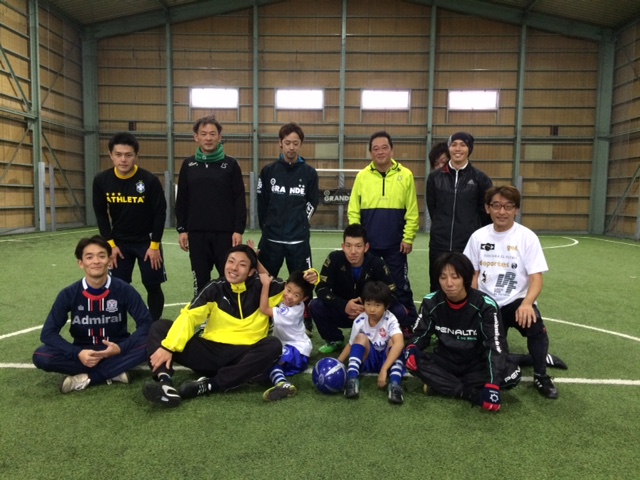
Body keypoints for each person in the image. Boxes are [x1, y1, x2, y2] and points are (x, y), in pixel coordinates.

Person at [142, 245, 317, 408]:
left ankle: (210, 385)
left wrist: (311, 274)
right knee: (160, 327)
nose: (234, 268)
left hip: (243, 357)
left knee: (273, 345)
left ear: (251, 272)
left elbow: (294, 287)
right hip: (209, 353)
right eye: (231, 261)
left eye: (242, 265)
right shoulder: (214, 288)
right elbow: (189, 317)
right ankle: (165, 384)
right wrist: (169, 346)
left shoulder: (267, 287)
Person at [464, 185, 560, 399]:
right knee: (482, 355)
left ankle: (541, 375)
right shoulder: (478, 237)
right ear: (488, 208)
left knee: (535, 326)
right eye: (496, 205)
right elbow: (473, 274)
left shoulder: (527, 237)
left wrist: (527, 303)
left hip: (516, 302)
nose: (502, 211)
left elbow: (536, 278)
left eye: (508, 206)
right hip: (487, 303)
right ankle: (523, 358)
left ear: (516, 209)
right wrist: (474, 303)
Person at [32, 236, 152, 393]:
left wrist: (120, 348)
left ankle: (87, 378)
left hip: (116, 350)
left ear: (109, 261)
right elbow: (48, 333)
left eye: (101, 256)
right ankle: (114, 371)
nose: (96, 261)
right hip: (83, 353)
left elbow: (146, 323)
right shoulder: (68, 294)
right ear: (81, 263)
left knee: (155, 342)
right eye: (89, 257)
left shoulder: (124, 289)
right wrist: (77, 353)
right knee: (41, 355)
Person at [404, 252, 521, 411]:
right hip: (446, 361)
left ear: (465, 278)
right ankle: (468, 392)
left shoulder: (485, 305)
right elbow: (420, 335)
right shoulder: (431, 302)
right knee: (411, 359)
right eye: (443, 277)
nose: (449, 283)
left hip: (476, 363)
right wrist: (412, 348)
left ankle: (442, 385)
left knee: (513, 374)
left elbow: (495, 345)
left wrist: (493, 385)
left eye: (455, 277)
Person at [93, 132, 167, 321]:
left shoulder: (149, 181)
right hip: (119, 243)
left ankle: (153, 326)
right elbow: (101, 214)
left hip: (147, 243)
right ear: (110, 155)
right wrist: (110, 245)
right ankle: (119, 326)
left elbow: (160, 213)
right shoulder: (101, 180)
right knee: (118, 286)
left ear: (136, 155)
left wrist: (155, 245)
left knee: (152, 285)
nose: (123, 159)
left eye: (128, 155)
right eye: (118, 154)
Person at [347, 131, 419, 325]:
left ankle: (409, 323)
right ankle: (366, 324)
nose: (380, 152)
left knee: (400, 286)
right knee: (366, 286)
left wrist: (408, 237)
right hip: (369, 246)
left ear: (392, 150)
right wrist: (358, 241)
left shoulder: (406, 175)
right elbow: (353, 210)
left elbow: (412, 210)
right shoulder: (362, 176)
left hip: (396, 245)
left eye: (384, 148)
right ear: (370, 152)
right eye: (376, 149)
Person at [257, 122, 319, 333]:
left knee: (304, 281)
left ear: (300, 144)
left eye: (295, 143)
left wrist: (301, 221)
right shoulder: (268, 171)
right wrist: (268, 226)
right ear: (280, 143)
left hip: (298, 240)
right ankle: (263, 319)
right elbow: (262, 203)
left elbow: (312, 202)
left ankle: (305, 318)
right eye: (287, 143)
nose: (291, 147)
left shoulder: (309, 173)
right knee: (265, 280)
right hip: (271, 240)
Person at [309, 223, 408, 353]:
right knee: (315, 305)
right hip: (343, 311)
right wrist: (344, 305)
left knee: (399, 310)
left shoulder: (377, 263)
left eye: (358, 246)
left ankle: (378, 339)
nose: (353, 251)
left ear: (366, 247)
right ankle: (334, 339)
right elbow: (321, 288)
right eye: (348, 246)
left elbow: (392, 293)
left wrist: (368, 309)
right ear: (343, 246)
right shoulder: (334, 259)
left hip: (371, 314)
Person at [176, 114, 246, 295]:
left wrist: (238, 229)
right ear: (196, 137)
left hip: (225, 234)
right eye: (204, 134)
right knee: (201, 281)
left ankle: (228, 311)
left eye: (212, 134)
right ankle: (203, 311)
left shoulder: (231, 164)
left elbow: (239, 198)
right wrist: (182, 229)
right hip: (197, 234)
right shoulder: (188, 165)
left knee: (229, 279)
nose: (208, 138)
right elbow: (182, 199)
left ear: (219, 137)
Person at [426, 132, 493, 293]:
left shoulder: (480, 179)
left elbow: (485, 213)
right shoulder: (434, 178)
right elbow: (433, 208)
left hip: (468, 245)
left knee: (466, 287)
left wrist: (470, 229)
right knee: (438, 286)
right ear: (449, 148)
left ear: (469, 149)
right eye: (454, 144)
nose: (458, 149)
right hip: (439, 244)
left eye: (463, 145)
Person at [337, 281, 406, 404]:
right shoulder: (360, 320)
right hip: (368, 360)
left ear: (386, 306)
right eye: (368, 304)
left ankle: (395, 384)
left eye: (377, 305)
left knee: (394, 341)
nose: (372, 309)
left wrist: (384, 369)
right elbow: (351, 345)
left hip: (387, 361)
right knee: (360, 337)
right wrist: (337, 363)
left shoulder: (390, 319)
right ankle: (352, 379)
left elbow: (400, 343)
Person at [258, 271, 315, 402]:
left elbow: (264, 309)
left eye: (296, 295)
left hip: (297, 351)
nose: (289, 296)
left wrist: (266, 285)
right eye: (288, 290)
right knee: (264, 362)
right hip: (291, 347)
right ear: (285, 285)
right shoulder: (293, 303)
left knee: (270, 359)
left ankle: (282, 383)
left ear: (304, 299)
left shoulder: (290, 312)